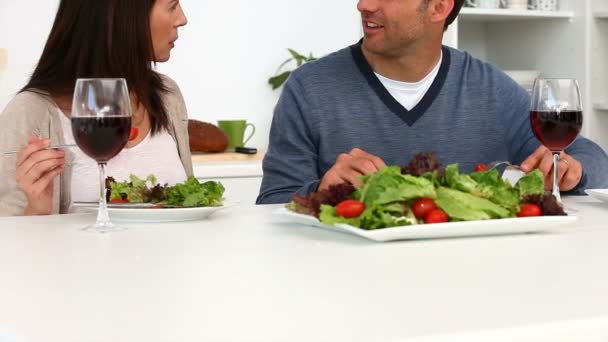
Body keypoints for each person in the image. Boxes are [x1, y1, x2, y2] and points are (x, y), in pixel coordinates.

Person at [257, 0, 608, 204]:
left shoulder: (491, 90)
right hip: (348, 288)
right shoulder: (309, 88)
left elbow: (594, 160)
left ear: (439, 7)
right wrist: (320, 191)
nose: (363, 4)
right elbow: (271, 204)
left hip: (468, 287)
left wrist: (569, 171)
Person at [0, 0, 190, 216]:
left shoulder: (167, 95)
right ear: (119, 15)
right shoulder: (30, 112)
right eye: (172, 5)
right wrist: (37, 211)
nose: (182, 19)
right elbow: (8, 241)